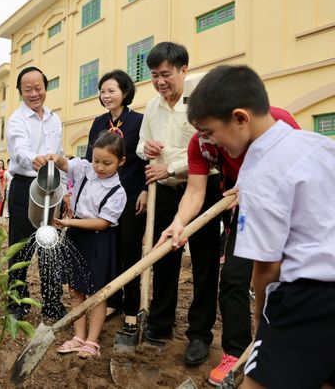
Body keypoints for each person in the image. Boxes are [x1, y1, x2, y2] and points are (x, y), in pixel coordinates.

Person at [185, 64, 335, 389]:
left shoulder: (258, 172)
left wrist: (262, 316)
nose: (208, 141)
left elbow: (267, 266)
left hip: (309, 296)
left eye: (209, 131)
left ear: (240, 118)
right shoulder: (319, 144)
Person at [158, 102, 299, 385]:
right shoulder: (201, 143)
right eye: (199, 129)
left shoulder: (277, 124)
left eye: (210, 129)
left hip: (293, 212)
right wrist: (178, 222)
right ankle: (237, 352)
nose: (205, 137)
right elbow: (196, 192)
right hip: (246, 211)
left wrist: (258, 187)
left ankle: (287, 347)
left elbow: (300, 175)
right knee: (233, 278)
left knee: (288, 281)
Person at [137, 42, 221, 365]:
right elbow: (142, 142)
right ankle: (160, 323)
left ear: (184, 70)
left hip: (203, 187)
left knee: (204, 261)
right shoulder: (152, 107)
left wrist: (170, 166)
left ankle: (199, 334)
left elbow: (211, 147)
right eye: (155, 76)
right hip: (166, 191)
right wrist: (147, 147)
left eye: (166, 75)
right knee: (163, 256)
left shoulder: (201, 97)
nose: (160, 82)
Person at [48, 131, 127, 358]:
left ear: (121, 162)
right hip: (76, 236)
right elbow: (65, 164)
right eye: (96, 161)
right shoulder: (85, 170)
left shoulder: (117, 192)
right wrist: (54, 158)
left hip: (98, 241)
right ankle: (78, 336)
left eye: (107, 163)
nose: (99, 167)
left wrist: (69, 221)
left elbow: (102, 223)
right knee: (75, 290)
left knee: (96, 293)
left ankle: (92, 341)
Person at [85, 69, 147, 334]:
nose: (106, 95)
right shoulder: (98, 122)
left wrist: (145, 189)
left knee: (129, 252)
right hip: (102, 199)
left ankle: (132, 308)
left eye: (112, 90)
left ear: (125, 92)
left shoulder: (139, 121)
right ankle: (113, 300)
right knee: (107, 252)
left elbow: (147, 159)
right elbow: (91, 161)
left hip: (132, 196)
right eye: (103, 91)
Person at [6, 66, 67, 321]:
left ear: (45, 88)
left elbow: (61, 154)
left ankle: (52, 303)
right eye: (28, 89)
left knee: (50, 247)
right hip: (25, 187)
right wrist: (35, 159)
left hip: (52, 189)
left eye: (38, 87)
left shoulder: (54, 118)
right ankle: (17, 303)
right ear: (21, 91)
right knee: (21, 247)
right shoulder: (16, 120)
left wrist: (65, 191)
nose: (34, 93)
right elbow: (19, 149)